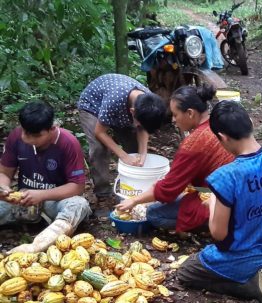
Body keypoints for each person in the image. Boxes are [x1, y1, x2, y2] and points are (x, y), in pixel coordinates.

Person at [177, 101, 262, 303]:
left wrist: (214, 200)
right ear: (250, 122)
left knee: (186, 273)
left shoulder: (225, 177)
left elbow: (218, 233)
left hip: (236, 257)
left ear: (222, 137)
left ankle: (249, 287)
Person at [115, 85, 234, 233]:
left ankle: (215, 223)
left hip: (219, 200)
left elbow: (167, 190)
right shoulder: (221, 121)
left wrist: (134, 200)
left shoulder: (193, 144)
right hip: (238, 192)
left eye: (175, 115)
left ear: (190, 113)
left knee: (154, 213)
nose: (173, 120)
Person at [0, 101, 91, 253]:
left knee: (79, 205)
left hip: (53, 202)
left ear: (52, 129)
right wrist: (4, 188)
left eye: (35, 135)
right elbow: (4, 173)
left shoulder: (68, 142)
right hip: (21, 199)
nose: (27, 139)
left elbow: (77, 186)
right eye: (24, 132)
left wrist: (42, 195)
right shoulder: (16, 136)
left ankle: (37, 246)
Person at [77, 73, 166, 200]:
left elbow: (142, 128)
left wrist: (142, 154)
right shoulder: (114, 101)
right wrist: (123, 156)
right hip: (93, 106)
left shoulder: (149, 102)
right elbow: (100, 132)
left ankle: (133, 186)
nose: (139, 126)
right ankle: (103, 193)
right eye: (139, 123)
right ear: (133, 112)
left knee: (134, 148)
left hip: (121, 111)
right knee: (100, 148)